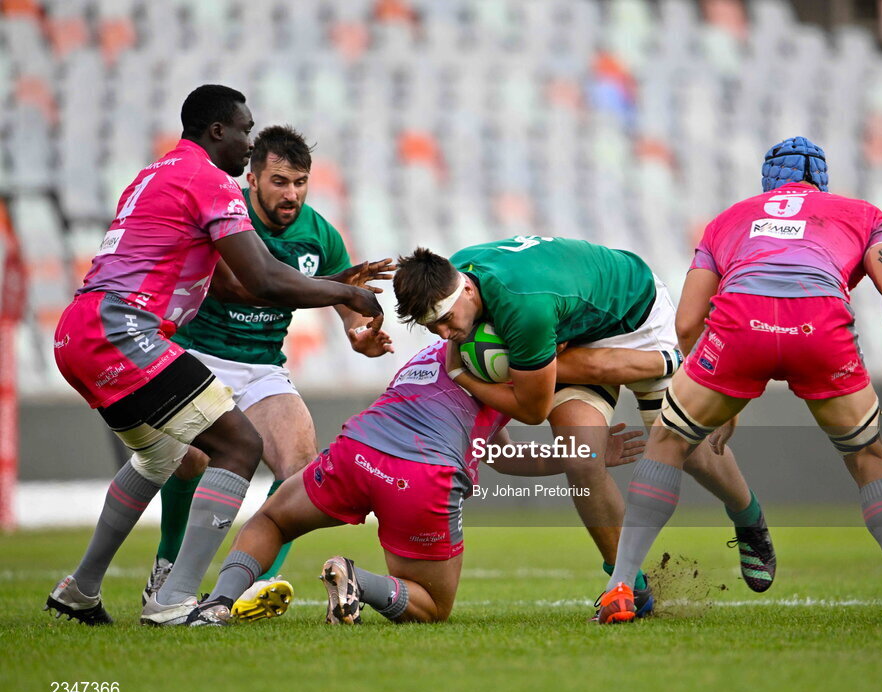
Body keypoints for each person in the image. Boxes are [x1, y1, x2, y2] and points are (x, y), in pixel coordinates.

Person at [44, 85, 384, 627]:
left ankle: (79, 589)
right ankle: (174, 598)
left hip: (81, 331)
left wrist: (336, 290)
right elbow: (263, 279)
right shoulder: (210, 182)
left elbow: (231, 284)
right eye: (245, 132)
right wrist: (345, 292)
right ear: (218, 131)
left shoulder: (155, 174)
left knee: (159, 457)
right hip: (127, 330)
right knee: (238, 444)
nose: (248, 143)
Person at [597, 136, 882, 625]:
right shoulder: (864, 214)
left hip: (740, 325)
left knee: (668, 440)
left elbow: (686, 324)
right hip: (821, 325)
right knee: (869, 457)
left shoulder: (728, 220)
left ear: (768, 182)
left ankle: (619, 587)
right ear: (821, 180)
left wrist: (726, 393)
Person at [392, 238, 777, 614]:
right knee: (580, 458)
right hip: (570, 332)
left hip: (636, 315)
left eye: (444, 320)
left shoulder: (524, 309)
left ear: (466, 291)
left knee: (692, 454)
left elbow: (532, 410)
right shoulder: (460, 275)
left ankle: (748, 516)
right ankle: (627, 586)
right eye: (430, 327)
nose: (443, 334)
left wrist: (463, 374)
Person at [184, 340, 645, 625]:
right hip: (422, 477)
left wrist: (572, 457)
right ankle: (357, 581)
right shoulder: (525, 355)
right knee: (432, 605)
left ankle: (218, 602)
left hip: (358, 450)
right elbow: (601, 368)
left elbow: (502, 456)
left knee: (273, 519)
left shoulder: (442, 348)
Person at [140, 125, 394, 610]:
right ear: (253, 178)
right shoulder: (222, 212)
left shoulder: (320, 234)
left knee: (300, 462)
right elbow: (243, 286)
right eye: (280, 181)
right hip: (198, 356)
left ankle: (253, 581)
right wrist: (333, 286)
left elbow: (347, 310)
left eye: (300, 182)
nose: (291, 194)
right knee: (190, 459)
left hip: (261, 367)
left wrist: (360, 334)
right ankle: (166, 569)